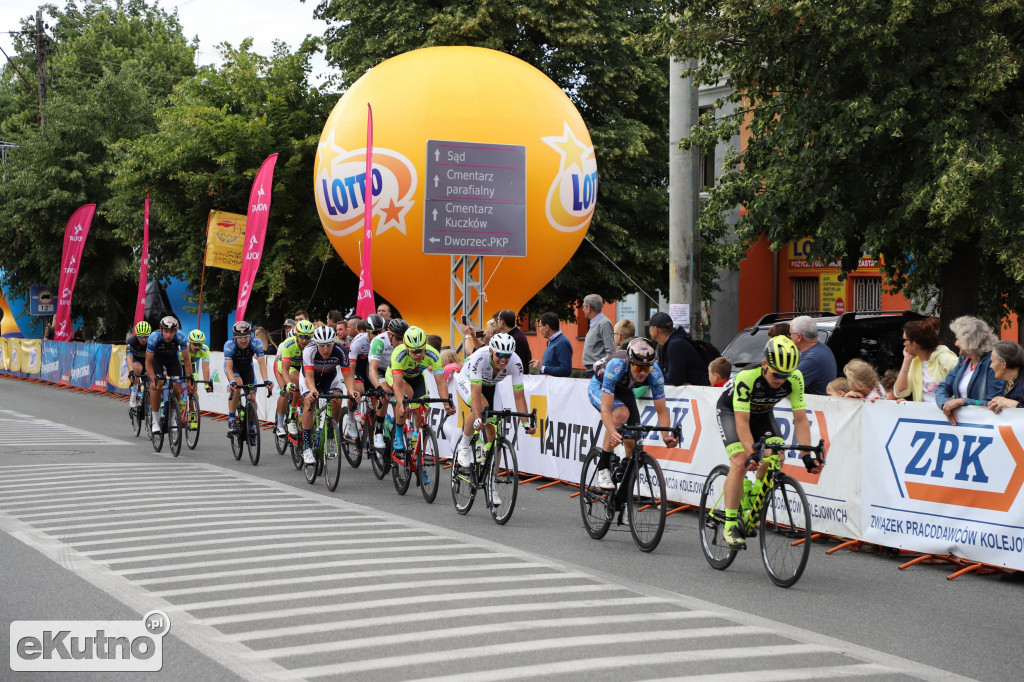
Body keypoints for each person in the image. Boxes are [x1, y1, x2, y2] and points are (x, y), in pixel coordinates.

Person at [716, 335, 821, 548]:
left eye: (786, 375)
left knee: (777, 456)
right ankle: (729, 524)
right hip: (732, 412)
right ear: (765, 364)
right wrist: (752, 454)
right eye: (777, 374)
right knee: (739, 461)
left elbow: (800, 419)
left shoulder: (795, 378)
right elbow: (742, 422)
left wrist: (807, 456)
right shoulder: (748, 377)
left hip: (762, 414)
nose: (781, 379)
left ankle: (755, 496)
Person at [587, 337, 679, 489]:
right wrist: (612, 431)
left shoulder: (655, 373)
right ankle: (603, 467)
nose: (643, 373)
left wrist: (665, 436)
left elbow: (662, 410)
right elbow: (606, 409)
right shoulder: (616, 366)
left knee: (632, 440)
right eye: (638, 368)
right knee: (621, 414)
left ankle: (622, 485)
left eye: (646, 368)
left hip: (625, 390)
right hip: (599, 386)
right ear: (629, 363)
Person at [454, 333, 537, 475]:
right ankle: (464, 444)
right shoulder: (480, 357)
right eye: (499, 354)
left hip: (491, 385)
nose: (504, 359)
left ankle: (492, 486)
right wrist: (477, 417)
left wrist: (526, 423)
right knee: (481, 406)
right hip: (468, 380)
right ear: (491, 351)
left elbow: (519, 397)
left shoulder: (516, 362)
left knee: (494, 431)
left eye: (507, 355)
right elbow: (475, 393)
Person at [387, 326, 456, 450]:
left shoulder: (433, 354)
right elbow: (397, 384)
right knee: (406, 395)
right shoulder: (399, 353)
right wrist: (401, 403)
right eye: (414, 352)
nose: (419, 354)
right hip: (397, 377)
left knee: (423, 406)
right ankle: (397, 434)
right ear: (407, 349)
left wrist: (446, 403)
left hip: (417, 378)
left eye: (421, 350)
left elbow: (440, 382)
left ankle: (418, 455)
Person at [299, 325, 358, 465]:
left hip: (329, 378)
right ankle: (307, 447)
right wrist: (312, 389)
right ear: (316, 344)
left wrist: (352, 390)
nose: (325, 349)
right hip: (310, 378)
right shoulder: (309, 350)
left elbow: (348, 375)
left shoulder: (340, 350)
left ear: (333, 343)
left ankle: (331, 436)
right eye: (322, 346)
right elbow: (308, 375)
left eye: (328, 345)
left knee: (337, 399)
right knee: (310, 402)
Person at [936, 316, 1005, 426]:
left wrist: (963, 401)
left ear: (970, 341)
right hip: (963, 426)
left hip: (985, 427)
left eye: (958, 339)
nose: (955, 344)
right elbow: (943, 387)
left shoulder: (992, 364)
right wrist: (944, 403)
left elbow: (994, 403)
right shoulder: (964, 360)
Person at [144, 316, 193, 434]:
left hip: (172, 360)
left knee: (177, 388)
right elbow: (148, 362)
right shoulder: (154, 337)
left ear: (176, 331)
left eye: (171, 332)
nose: (169, 335)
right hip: (157, 360)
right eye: (166, 331)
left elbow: (187, 360)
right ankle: (155, 421)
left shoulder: (180, 337)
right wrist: (152, 380)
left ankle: (172, 418)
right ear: (161, 330)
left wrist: (189, 379)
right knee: (158, 386)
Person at [893, 317, 958, 403]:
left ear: (914, 344)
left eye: (905, 340)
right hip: (925, 415)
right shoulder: (916, 361)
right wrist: (907, 360)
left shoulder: (946, 358)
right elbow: (899, 392)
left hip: (948, 413)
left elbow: (964, 387)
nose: (904, 343)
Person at [223, 320, 272, 435]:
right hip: (234, 368)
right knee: (237, 385)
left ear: (250, 335)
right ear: (235, 337)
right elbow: (228, 368)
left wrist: (265, 380)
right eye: (240, 337)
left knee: (253, 398)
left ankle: (251, 425)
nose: (244, 340)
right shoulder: (229, 345)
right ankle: (231, 418)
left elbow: (262, 364)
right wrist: (232, 382)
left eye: (246, 337)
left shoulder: (256, 343)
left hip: (247, 369)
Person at [369, 318, 407, 448]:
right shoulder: (379, 342)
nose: (402, 342)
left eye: (404, 338)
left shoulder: (406, 342)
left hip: (396, 370)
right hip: (380, 369)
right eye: (398, 338)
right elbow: (372, 369)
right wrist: (378, 387)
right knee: (385, 393)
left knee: (402, 396)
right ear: (389, 335)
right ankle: (378, 430)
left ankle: (396, 430)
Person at [273, 319, 314, 436]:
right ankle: (283, 422)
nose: (305, 340)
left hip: (301, 366)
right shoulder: (287, 344)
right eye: (302, 337)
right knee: (286, 390)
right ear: (296, 334)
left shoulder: (313, 343)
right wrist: (287, 385)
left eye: (308, 337)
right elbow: (284, 370)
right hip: (285, 366)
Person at [647, 311, 709, 386]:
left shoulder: (676, 345)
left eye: (649, 327)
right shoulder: (665, 345)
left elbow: (674, 379)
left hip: (700, 392)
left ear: (655, 329)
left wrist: (653, 380)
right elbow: (661, 372)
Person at [789, 315, 837, 396]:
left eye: (791, 334)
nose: (790, 337)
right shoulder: (823, 349)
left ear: (799, 337)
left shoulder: (812, 359)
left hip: (814, 406)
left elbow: (788, 389)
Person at [530, 311, 573, 377]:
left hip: (555, 386)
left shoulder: (562, 343)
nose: (539, 330)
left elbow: (566, 370)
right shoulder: (553, 341)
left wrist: (543, 368)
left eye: (540, 326)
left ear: (547, 327)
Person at [581, 294, 614, 377]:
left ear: (589, 308)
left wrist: (601, 369)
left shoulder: (604, 323)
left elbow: (610, 352)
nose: (582, 309)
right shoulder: (596, 323)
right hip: (592, 371)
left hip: (597, 372)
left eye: (583, 306)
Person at [987, 340, 1024, 413]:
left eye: (993, 362)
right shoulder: (1008, 382)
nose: (991, 366)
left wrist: (1015, 405)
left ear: (1003, 364)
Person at [127, 321, 152, 407]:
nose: (143, 339)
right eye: (140, 336)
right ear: (136, 335)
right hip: (136, 360)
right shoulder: (132, 341)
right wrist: (131, 372)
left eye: (145, 336)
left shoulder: (153, 341)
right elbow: (129, 358)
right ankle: (133, 394)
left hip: (148, 361)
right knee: (137, 368)